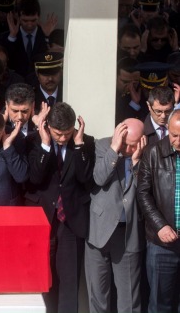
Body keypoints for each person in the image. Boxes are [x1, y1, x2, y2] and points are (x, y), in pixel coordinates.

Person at [25, 102, 95, 313]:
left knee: (69, 281)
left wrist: (80, 143)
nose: (63, 138)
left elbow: (85, 178)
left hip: (71, 220)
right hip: (42, 218)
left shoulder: (85, 143)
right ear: (47, 126)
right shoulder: (33, 141)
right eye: (58, 133)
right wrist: (46, 145)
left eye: (67, 133)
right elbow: (34, 178)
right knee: (42, 279)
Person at [86, 119, 146, 313]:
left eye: (133, 144)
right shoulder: (102, 145)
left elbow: (144, 193)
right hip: (99, 231)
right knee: (98, 295)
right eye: (126, 143)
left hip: (128, 233)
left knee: (129, 299)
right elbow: (99, 178)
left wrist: (136, 164)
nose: (128, 149)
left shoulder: (147, 153)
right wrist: (115, 148)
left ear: (142, 140)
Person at [137, 108, 180, 313]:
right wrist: (160, 225)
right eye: (174, 135)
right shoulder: (153, 153)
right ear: (167, 130)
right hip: (162, 245)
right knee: (160, 305)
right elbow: (143, 194)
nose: (178, 140)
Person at [2, 0, 56, 77]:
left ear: (39, 17)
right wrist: (12, 36)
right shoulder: (7, 36)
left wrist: (47, 36)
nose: (29, 24)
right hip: (16, 82)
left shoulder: (46, 34)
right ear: (18, 17)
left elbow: (50, 58)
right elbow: (5, 59)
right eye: (25, 20)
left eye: (33, 20)